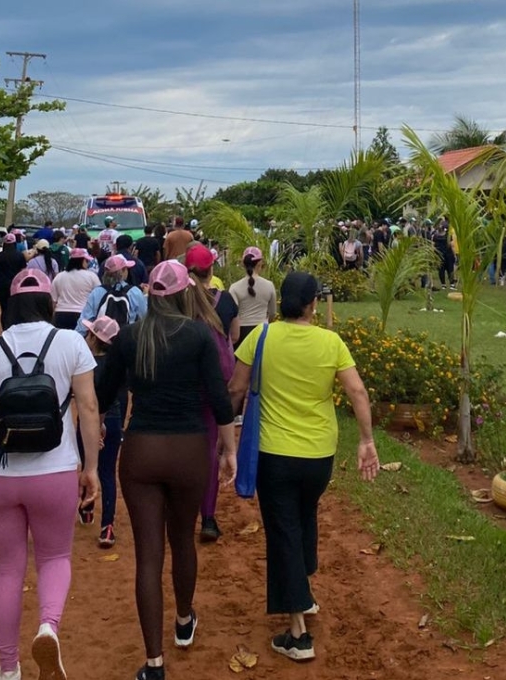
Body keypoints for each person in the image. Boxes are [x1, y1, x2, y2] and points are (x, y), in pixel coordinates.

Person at [0, 268, 102, 680]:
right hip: (55, 471)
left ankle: (7, 668)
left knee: (6, 569)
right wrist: (91, 468)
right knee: (55, 556)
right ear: (47, 304)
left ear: (11, 304)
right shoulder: (70, 342)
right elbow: (88, 408)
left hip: (1, 474)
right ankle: (48, 628)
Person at [228, 272, 379, 663]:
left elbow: (236, 388)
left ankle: (297, 634)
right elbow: (357, 391)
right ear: (312, 304)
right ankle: (304, 593)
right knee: (303, 516)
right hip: (318, 457)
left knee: (283, 533)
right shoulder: (331, 342)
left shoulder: (260, 337)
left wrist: (223, 438)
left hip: (274, 454)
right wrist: (366, 441)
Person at [96, 260, 236, 680]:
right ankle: (183, 620)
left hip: (141, 451)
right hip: (190, 451)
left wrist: (94, 428)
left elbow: (104, 393)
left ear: (151, 295)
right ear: (182, 293)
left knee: (148, 557)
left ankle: (154, 663)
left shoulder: (131, 337)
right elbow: (219, 397)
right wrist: (228, 450)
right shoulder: (196, 335)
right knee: (183, 541)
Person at [185, 245, 238, 541]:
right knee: (209, 450)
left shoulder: (178, 301)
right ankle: (207, 517)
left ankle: (181, 513)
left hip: (184, 384)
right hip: (215, 385)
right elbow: (235, 337)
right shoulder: (226, 300)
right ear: (212, 270)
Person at [80, 316, 125, 549]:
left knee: (88, 465)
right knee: (107, 472)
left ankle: (87, 506)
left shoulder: (85, 365)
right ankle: (107, 525)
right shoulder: (117, 365)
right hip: (114, 421)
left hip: (89, 422)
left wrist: (96, 427)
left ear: (93, 338)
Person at [77, 254, 149, 334]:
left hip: (101, 340)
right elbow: (144, 318)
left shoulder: (97, 292)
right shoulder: (134, 292)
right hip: (126, 339)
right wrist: (145, 296)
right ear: (123, 270)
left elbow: (85, 320)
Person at [228, 246, 276, 350]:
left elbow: (233, 314)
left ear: (243, 264)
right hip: (263, 331)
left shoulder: (234, 287)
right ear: (260, 263)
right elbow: (272, 313)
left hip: (241, 333)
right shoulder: (269, 285)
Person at [51, 248, 101, 331]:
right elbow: (98, 296)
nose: (87, 263)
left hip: (61, 315)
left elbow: (53, 301)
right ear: (81, 261)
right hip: (83, 315)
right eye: (86, 260)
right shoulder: (92, 276)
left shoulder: (59, 276)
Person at [0, 232, 28, 330]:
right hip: (16, 287)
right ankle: (14, 328)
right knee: (15, 308)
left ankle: (5, 328)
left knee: (4, 309)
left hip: (1, 286)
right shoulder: (20, 256)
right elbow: (23, 272)